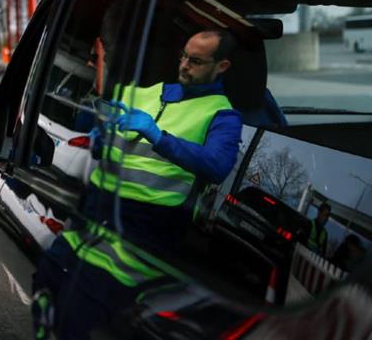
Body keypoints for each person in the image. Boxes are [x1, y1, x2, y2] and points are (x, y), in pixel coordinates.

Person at [33, 30, 243, 338]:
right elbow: (90, 132)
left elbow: (217, 165)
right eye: (183, 56)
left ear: (221, 66)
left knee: (78, 316)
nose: (184, 65)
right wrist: (99, 134)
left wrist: (157, 136)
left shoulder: (222, 115)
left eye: (195, 61)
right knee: (45, 282)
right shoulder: (141, 93)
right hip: (92, 217)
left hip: (141, 238)